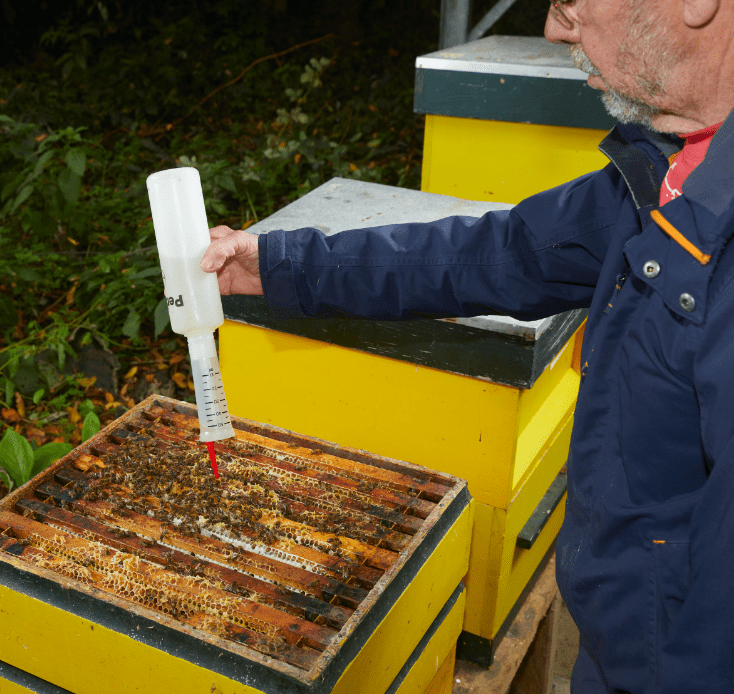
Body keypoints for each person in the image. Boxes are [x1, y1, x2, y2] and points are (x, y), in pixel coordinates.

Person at [199, 0, 734, 692]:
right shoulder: (671, 168)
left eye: (571, 1)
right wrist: (271, 265)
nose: (553, 29)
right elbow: (499, 254)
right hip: (623, 637)